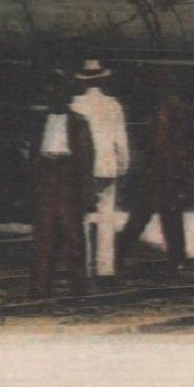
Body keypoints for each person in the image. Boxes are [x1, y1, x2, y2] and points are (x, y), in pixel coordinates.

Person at [119, 72, 193, 272]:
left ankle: (119, 251)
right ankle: (177, 257)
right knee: (169, 216)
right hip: (170, 169)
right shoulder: (177, 107)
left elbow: (160, 141)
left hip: (160, 170)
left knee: (144, 213)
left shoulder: (165, 109)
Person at [29, 75, 95, 299]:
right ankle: (40, 287)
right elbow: (33, 155)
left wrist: (87, 190)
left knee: (73, 234)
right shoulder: (40, 122)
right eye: (49, 95)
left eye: (56, 94)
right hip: (47, 175)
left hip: (68, 177)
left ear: (66, 97)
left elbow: (86, 158)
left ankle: (79, 287)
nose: (52, 99)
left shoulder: (79, 122)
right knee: (44, 234)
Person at [69, 59, 129, 278]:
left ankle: (83, 264)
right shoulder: (113, 105)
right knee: (106, 214)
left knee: (82, 215)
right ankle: (105, 266)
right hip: (107, 166)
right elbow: (120, 142)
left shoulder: (75, 105)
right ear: (103, 79)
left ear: (82, 81)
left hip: (83, 167)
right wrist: (122, 166)